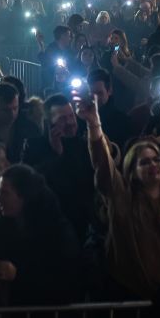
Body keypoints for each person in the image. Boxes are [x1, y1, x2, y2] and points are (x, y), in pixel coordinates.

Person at [85, 98, 160, 300]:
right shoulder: (122, 199)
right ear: (133, 170)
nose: (153, 165)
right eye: (145, 162)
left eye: (157, 159)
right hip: (128, 298)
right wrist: (94, 124)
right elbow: (103, 166)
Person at [0, 164, 81, 318]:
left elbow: (65, 283)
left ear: (23, 197)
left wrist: (18, 274)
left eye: (5, 193)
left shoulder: (57, 231)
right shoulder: (2, 225)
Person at [21, 94, 96, 240]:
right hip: (51, 227)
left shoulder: (84, 145)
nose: (70, 122)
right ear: (50, 123)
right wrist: (57, 156)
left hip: (84, 223)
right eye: (62, 118)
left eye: (71, 116)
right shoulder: (33, 146)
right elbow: (32, 182)